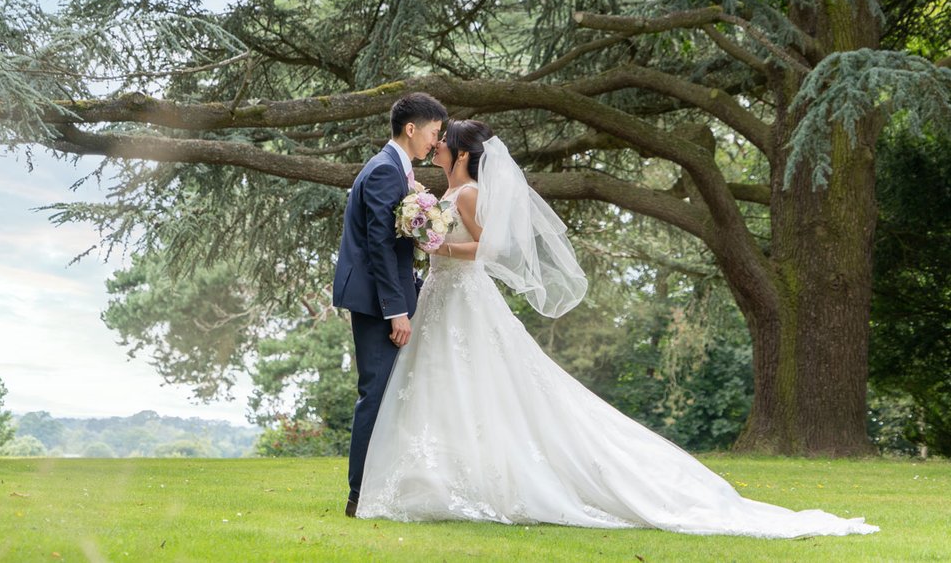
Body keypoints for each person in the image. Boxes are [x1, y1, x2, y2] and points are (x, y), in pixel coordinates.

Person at [354, 119, 879, 538]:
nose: (437, 146)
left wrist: (437, 244)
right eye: (436, 138)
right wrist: (425, 234)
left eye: (444, 142)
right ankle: (441, 479)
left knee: (483, 384)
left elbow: (491, 250)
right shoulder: (440, 192)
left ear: (463, 155)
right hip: (439, 298)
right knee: (444, 386)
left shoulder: (465, 195)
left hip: (462, 296)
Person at [332, 92, 446, 519]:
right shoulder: (384, 170)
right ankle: (359, 496)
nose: (436, 143)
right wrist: (395, 310)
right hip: (376, 302)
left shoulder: (398, 169)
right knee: (375, 395)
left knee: (385, 394)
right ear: (411, 129)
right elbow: (379, 246)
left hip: (386, 294)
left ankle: (374, 489)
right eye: (434, 133)